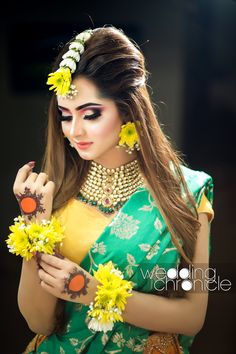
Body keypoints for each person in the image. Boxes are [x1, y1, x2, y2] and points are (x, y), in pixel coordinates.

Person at [11, 26, 214, 354]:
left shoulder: (190, 194)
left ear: (128, 109)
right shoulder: (54, 195)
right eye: (65, 116)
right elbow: (39, 323)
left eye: (91, 114)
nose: (74, 131)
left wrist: (91, 291)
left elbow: (193, 316)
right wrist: (34, 223)